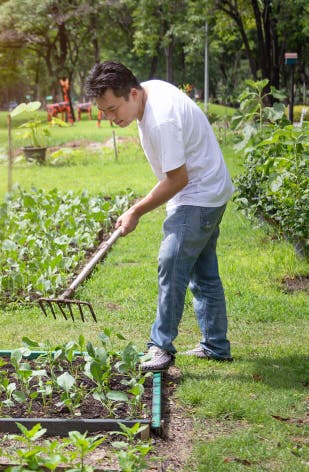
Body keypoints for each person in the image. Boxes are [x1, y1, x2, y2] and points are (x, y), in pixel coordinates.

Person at [84, 61, 234, 371]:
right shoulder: (148, 93)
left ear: (133, 93)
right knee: (203, 274)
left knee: (172, 262)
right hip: (210, 188)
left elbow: (178, 180)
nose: (111, 119)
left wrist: (136, 210)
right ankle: (216, 346)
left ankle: (160, 347)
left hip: (199, 194)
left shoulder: (161, 119)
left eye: (113, 109)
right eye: (104, 112)